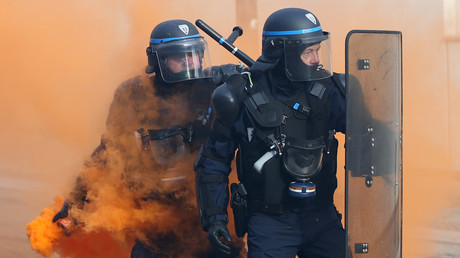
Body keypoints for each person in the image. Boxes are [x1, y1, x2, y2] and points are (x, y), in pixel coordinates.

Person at [51, 19, 244, 257]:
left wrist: (245, 79)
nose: (190, 63)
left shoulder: (220, 86)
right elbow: (109, 151)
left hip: (214, 217)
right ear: (158, 60)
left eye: (194, 55)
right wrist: (76, 196)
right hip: (157, 219)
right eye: (179, 57)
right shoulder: (134, 95)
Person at [195, 8, 346, 257]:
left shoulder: (329, 90)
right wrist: (215, 219)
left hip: (323, 218)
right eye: (308, 52)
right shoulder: (239, 96)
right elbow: (213, 161)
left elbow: (368, 135)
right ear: (281, 52)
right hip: (270, 223)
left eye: (318, 50)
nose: (316, 60)